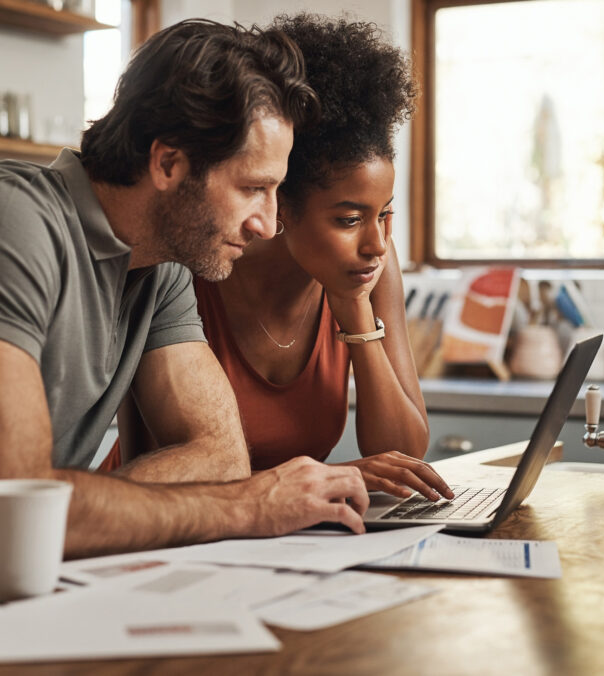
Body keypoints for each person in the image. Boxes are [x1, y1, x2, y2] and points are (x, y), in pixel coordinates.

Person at [0, 19, 370, 603]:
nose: (267, 223)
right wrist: (249, 507)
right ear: (168, 164)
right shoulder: (2, 228)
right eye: (251, 188)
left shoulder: (162, 264)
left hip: (3, 583)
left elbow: (219, 455)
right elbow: (14, 506)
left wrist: (65, 517)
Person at [104, 14, 454, 503]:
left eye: (386, 215)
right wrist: (334, 476)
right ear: (280, 202)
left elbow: (405, 454)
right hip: (161, 520)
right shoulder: (195, 260)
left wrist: (354, 310)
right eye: (349, 219)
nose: (376, 243)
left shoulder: (368, 268)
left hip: (283, 530)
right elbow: (167, 461)